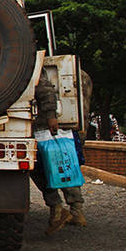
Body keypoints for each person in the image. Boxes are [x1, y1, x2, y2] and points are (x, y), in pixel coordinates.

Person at [31, 69, 87, 233]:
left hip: (42, 127)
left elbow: (44, 89)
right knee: (64, 164)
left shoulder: (29, 63)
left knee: (45, 167)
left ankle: (57, 207)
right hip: (45, 125)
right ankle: (75, 211)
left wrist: (50, 116)